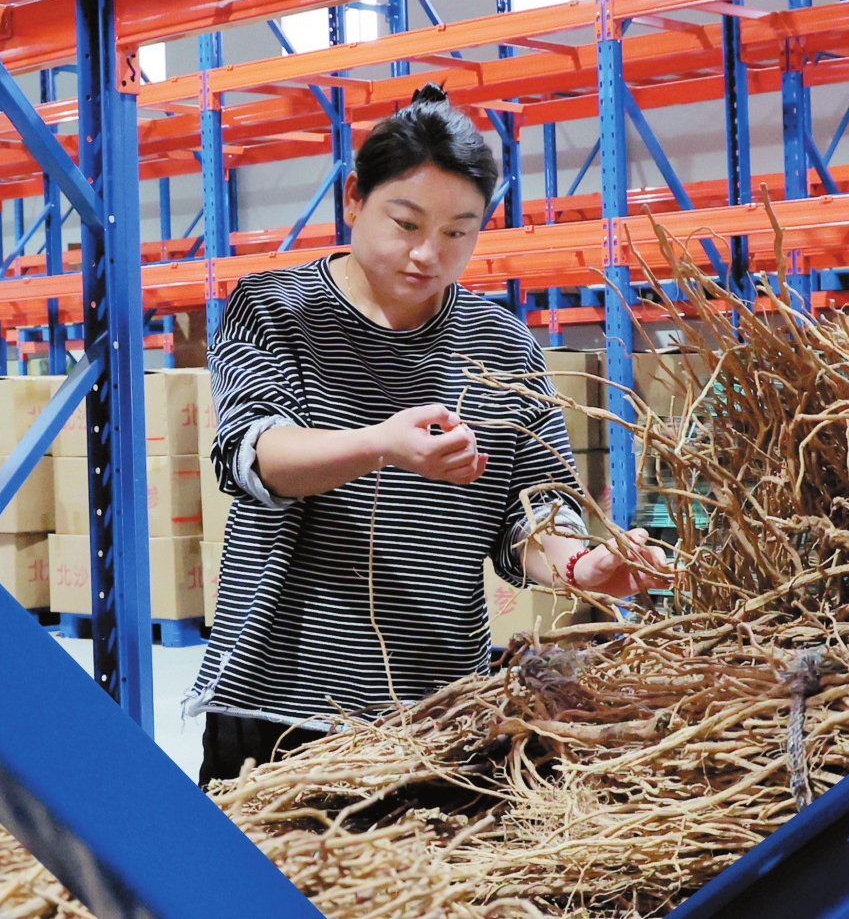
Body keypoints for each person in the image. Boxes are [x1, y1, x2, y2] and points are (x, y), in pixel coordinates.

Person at [186, 84, 663, 787]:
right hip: (281, 704)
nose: (427, 254)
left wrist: (580, 567)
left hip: (440, 707)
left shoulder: (501, 344)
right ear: (354, 199)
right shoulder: (278, 309)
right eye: (406, 223)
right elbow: (253, 454)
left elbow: (536, 508)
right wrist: (380, 444)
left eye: (456, 233)